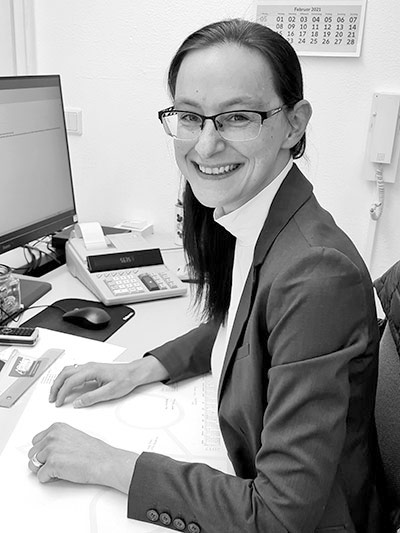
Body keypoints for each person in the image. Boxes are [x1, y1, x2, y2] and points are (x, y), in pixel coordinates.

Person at [28, 18, 384, 532]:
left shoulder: (315, 275)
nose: (206, 145)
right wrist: (142, 369)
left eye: (237, 117)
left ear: (294, 123)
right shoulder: (257, 215)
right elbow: (242, 326)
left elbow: (280, 517)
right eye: (191, 117)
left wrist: (110, 464)